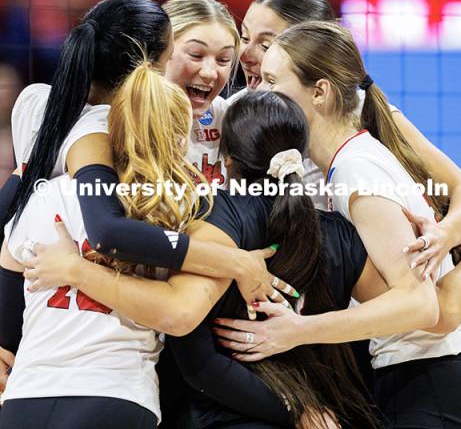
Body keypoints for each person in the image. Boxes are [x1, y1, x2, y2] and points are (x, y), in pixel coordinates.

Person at [19, 91, 379, 429]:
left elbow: (197, 359)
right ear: (302, 153)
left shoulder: (208, 217)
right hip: (330, 415)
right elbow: (411, 309)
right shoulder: (343, 233)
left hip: (46, 393)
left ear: (227, 161)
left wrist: (74, 271)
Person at [214, 21, 461, 428]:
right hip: (415, 376)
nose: (259, 92)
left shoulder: (355, 170)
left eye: (271, 80)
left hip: (432, 379)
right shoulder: (344, 163)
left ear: (319, 92)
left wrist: (297, 331)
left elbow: (422, 304)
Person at [0, 57, 206, 428]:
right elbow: (182, 315)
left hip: (26, 395)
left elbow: (9, 263)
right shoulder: (184, 205)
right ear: (179, 139)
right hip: (117, 393)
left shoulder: (50, 191)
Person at [229, 0, 461, 275]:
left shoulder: (362, 120)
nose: (245, 54)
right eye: (244, 37)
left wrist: (445, 236)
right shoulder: (237, 118)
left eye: (266, 44)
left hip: (368, 290)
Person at [163, 0, 240, 186]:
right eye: (196, 55)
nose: (210, 73)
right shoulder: (120, 118)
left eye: (223, 60)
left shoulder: (226, 117)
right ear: (160, 51)